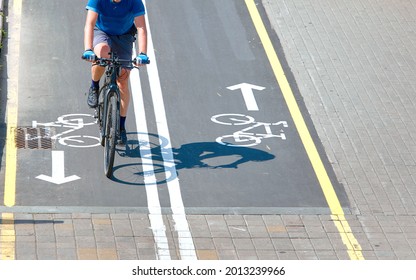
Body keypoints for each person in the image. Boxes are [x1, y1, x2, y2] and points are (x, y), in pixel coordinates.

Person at [82, 0, 149, 143]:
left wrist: (142, 53)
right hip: (102, 32)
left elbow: (142, 27)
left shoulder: (134, 1)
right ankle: (94, 86)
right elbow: (90, 24)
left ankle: (121, 127)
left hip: (124, 36)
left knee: (123, 81)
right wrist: (88, 49)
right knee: (102, 55)